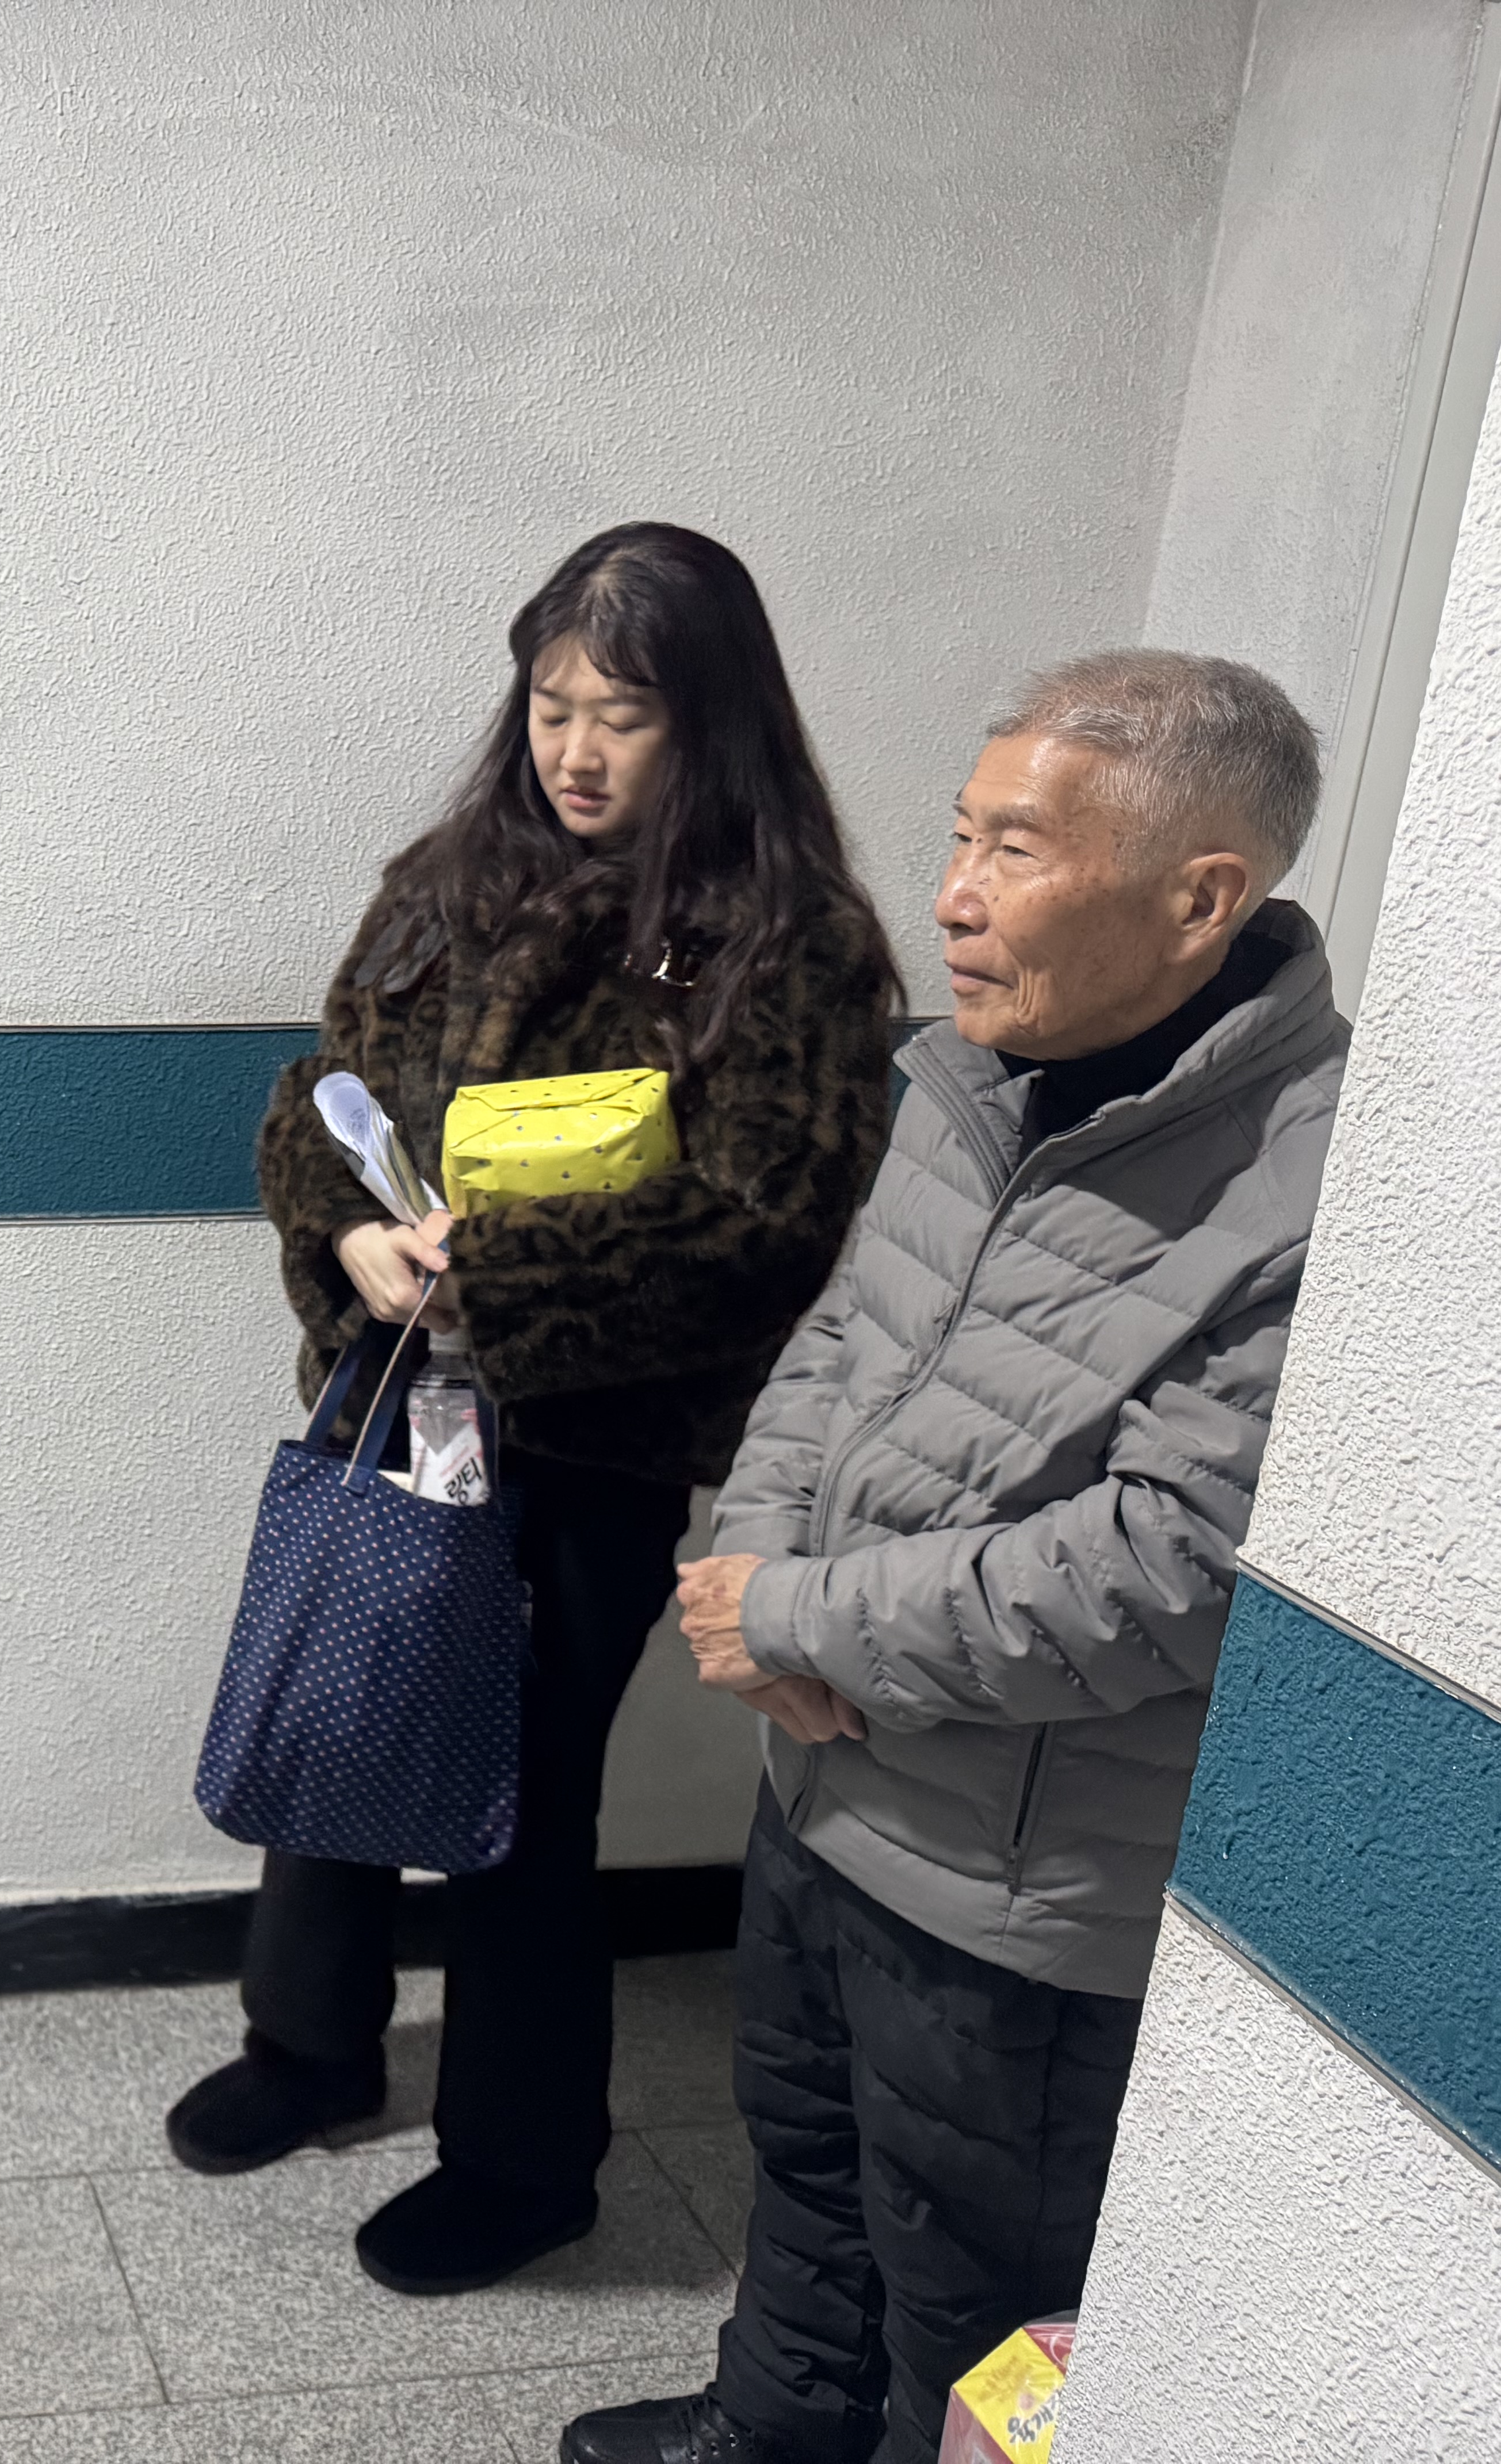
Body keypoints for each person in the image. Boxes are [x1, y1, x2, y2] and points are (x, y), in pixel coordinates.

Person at [559, 651, 1345, 2464]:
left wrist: (798, 1614)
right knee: (807, 2172)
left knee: (978, 2322)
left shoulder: (1311, 1187)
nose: (953, 896)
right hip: (828, 1782)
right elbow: (842, 1338)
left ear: (1201, 897)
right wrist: (752, 1575)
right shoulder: (972, 1075)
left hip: (1016, 1891)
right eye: (961, 834)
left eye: (1015, 849)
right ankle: (771, 2427)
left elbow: (1167, 1566)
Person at [169, 524, 899, 2296]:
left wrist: (493, 1282)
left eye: (622, 717)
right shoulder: (449, 878)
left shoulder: (788, 944)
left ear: (710, 722)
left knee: (522, 1793)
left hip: (588, 1449)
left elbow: (766, 1224)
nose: (575, 751)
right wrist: (348, 1236)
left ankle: (523, 2164)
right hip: (393, 1392)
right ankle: (310, 2047)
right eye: (554, 706)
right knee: (340, 1709)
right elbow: (322, 1089)